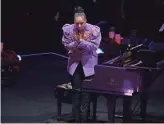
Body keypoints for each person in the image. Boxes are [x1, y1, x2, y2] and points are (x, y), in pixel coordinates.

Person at [62, 6, 101, 122]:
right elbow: (66, 44)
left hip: (89, 65)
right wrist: (75, 43)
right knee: (76, 92)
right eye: (76, 23)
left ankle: (84, 119)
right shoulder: (68, 29)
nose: (79, 26)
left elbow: (94, 47)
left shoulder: (94, 30)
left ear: (86, 21)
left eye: (81, 23)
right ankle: (76, 118)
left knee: (86, 93)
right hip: (75, 65)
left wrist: (81, 42)